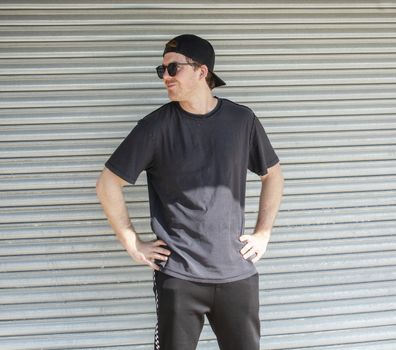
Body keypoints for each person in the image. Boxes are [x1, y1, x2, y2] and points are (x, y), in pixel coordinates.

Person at [96, 34, 284, 350]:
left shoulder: (241, 120)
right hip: (179, 278)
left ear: (201, 71)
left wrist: (262, 233)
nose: (165, 77)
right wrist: (133, 243)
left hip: (236, 275)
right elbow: (107, 184)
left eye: (173, 69)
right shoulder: (155, 127)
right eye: (162, 70)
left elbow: (273, 176)